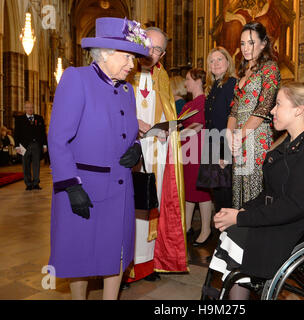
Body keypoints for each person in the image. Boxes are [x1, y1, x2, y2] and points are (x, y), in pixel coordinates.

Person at [209, 81, 304, 299]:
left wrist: (242, 219)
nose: (272, 111)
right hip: (288, 215)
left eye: (278, 104)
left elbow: (297, 204)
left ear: (298, 109)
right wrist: (241, 211)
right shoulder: (286, 142)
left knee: (237, 235)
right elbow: (267, 194)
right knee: (230, 233)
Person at [47, 17, 149, 300]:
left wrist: (136, 148)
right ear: (106, 52)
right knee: (80, 255)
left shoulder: (128, 91)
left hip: (120, 190)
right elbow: (58, 138)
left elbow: (129, 133)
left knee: (115, 253)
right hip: (84, 188)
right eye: (128, 57)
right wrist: (71, 185)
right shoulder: (76, 78)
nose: (132, 65)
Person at [123, 26, 187, 286]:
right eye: (149, 45)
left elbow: (165, 111)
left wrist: (166, 130)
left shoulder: (162, 76)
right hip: (130, 147)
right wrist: (131, 121)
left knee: (151, 203)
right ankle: (125, 268)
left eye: (159, 49)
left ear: (163, 54)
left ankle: (147, 264)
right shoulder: (125, 66)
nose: (153, 52)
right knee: (130, 204)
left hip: (157, 150)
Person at [227, 22, 280, 209]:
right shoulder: (242, 71)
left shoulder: (270, 68)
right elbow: (234, 108)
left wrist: (238, 135)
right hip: (239, 138)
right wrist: (229, 134)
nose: (245, 48)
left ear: (263, 44)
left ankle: (254, 234)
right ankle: (237, 233)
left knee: (254, 187)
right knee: (238, 187)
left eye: (250, 43)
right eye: (242, 44)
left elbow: (264, 107)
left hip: (257, 135)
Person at [197, 46, 236, 215]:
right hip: (212, 143)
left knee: (226, 196)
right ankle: (223, 235)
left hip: (224, 146)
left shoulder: (232, 84)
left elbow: (233, 119)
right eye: (212, 61)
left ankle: (228, 237)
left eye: (220, 59)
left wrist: (224, 153)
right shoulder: (213, 88)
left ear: (228, 62)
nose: (215, 63)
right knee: (218, 194)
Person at [178, 68, 213, 246]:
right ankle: (187, 225)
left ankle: (206, 229)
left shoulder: (202, 101)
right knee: (189, 189)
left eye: (189, 79)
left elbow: (198, 125)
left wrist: (176, 135)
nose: (186, 83)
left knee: (201, 191)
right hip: (188, 149)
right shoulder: (188, 103)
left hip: (198, 149)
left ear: (198, 81)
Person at [14, 101, 47, 190]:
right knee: (26, 165)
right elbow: (16, 133)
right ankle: (28, 184)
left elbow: (42, 133)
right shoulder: (19, 119)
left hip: (36, 145)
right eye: (28, 107)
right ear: (24, 109)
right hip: (24, 146)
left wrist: (44, 145)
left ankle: (36, 183)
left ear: (33, 108)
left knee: (36, 164)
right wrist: (17, 146)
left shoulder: (39, 118)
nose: (30, 109)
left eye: (31, 107)